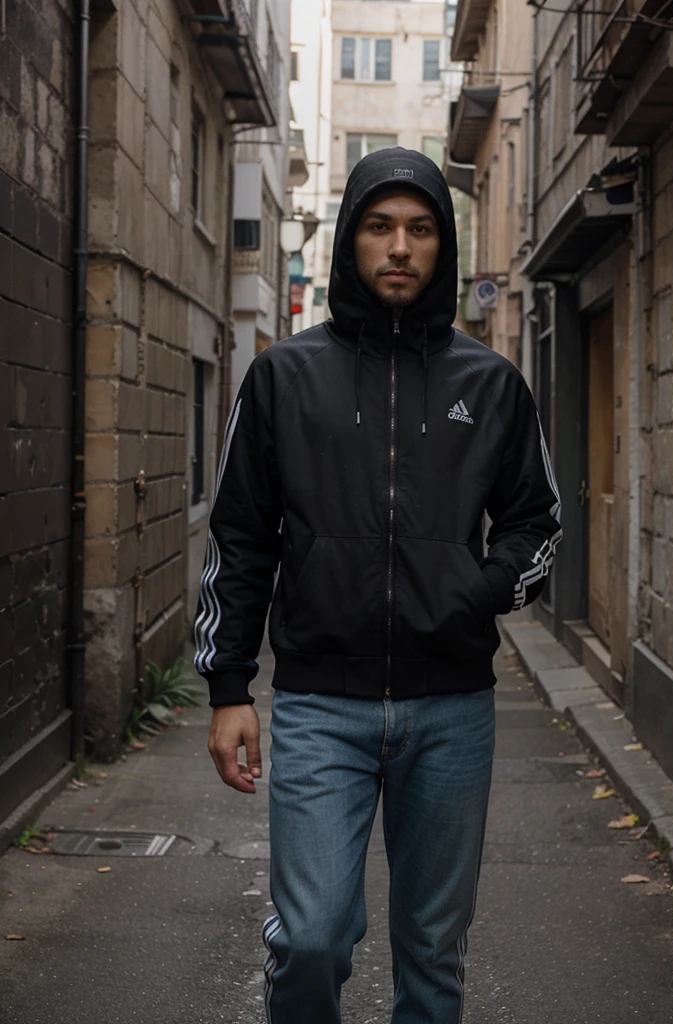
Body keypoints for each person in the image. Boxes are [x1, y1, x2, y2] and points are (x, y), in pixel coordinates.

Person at [195, 147, 562, 1024]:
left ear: (444, 247)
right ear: (351, 243)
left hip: (452, 712)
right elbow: (241, 535)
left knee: (433, 958)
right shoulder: (285, 377)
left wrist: (476, 591)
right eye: (380, 226)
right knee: (312, 940)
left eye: (421, 229)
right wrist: (228, 686)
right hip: (323, 706)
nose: (400, 246)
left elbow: (537, 525)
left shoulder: (492, 384)